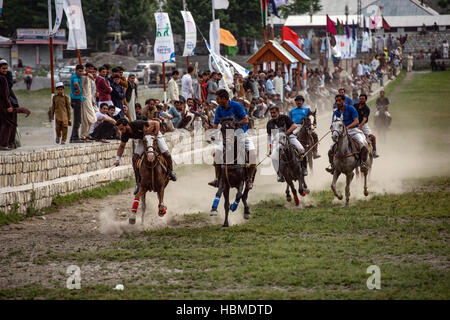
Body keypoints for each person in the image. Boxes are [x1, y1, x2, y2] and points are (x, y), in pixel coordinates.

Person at [208, 89, 257, 190]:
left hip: (240, 133)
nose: (216, 101)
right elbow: (216, 124)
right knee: (217, 155)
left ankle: (250, 180)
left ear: (224, 99)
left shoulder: (236, 106)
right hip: (226, 136)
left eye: (218, 99)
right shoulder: (219, 109)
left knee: (252, 155)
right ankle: (217, 179)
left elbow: (246, 120)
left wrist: (235, 124)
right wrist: (213, 131)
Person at [114, 118, 177, 195]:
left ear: (127, 125)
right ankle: (138, 183)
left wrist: (156, 135)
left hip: (154, 135)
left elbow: (156, 123)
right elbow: (121, 146)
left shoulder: (137, 124)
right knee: (134, 158)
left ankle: (170, 172)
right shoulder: (125, 134)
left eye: (121, 128)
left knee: (166, 154)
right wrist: (117, 159)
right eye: (119, 129)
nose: (121, 131)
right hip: (143, 139)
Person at [326, 94, 369, 174]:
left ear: (344, 101)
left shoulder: (351, 108)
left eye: (339, 100)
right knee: (331, 148)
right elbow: (333, 124)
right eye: (336, 101)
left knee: (362, 143)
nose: (338, 102)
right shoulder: (336, 112)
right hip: (341, 133)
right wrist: (333, 129)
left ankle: (363, 163)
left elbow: (356, 121)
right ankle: (332, 166)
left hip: (353, 130)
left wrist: (347, 127)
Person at [267, 104, 307, 182]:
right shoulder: (270, 123)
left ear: (278, 112)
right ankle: (279, 175)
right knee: (273, 157)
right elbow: (269, 136)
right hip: (277, 141)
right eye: (271, 113)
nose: (272, 115)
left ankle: (304, 168)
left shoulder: (285, 118)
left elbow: (294, 126)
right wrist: (271, 146)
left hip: (289, 137)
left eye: (274, 113)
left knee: (301, 149)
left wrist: (286, 133)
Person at [355, 94, 379, 158]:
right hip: (354, 124)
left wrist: (360, 127)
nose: (361, 100)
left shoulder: (366, 109)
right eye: (360, 98)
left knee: (373, 137)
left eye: (362, 99)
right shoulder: (355, 106)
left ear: (365, 100)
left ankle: (374, 152)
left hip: (363, 125)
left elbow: (364, 119)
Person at [69, 64, 86, 143]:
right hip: (75, 100)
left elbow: (84, 74)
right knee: (77, 120)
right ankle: (75, 137)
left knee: (78, 119)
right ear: (76, 70)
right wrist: (78, 89)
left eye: (82, 71)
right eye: (79, 71)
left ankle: (73, 137)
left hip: (77, 99)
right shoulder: (75, 76)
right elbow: (76, 83)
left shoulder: (78, 76)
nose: (81, 72)